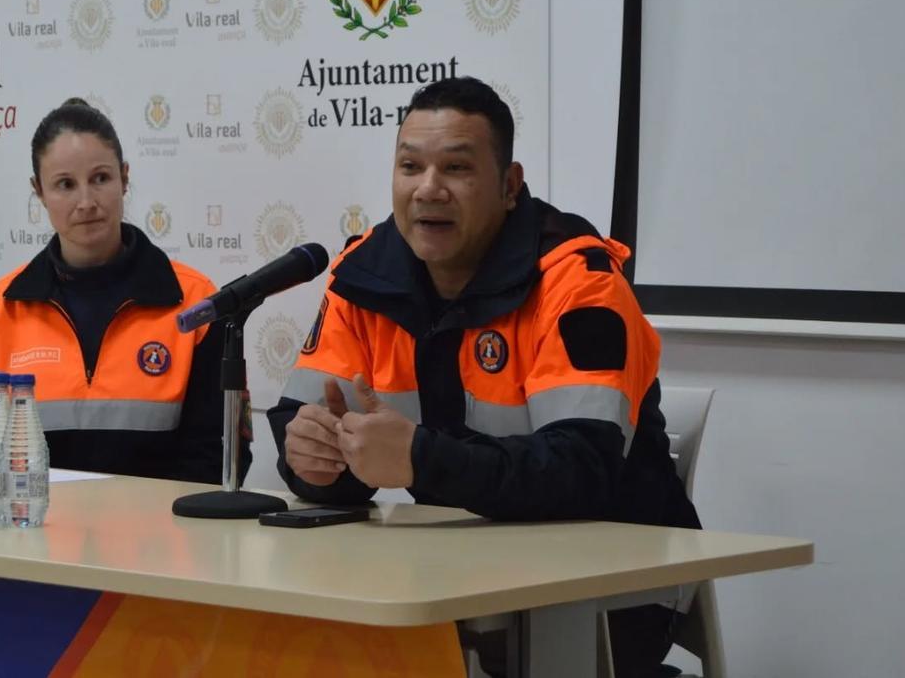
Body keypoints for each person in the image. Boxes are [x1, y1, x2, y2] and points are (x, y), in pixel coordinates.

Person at [267, 77, 698, 677]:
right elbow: (308, 427)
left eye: (457, 168)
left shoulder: (579, 282)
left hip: (610, 587)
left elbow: (584, 471)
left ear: (509, 185)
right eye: (410, 166)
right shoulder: (363, 276)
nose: (428, 189)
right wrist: (316, 460)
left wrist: (419, 459)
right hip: (450, 571)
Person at [0, 98, 249, 484]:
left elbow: (222, 457)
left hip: (162, 537)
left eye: (100, 178)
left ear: (124, 178)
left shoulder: (199, 303)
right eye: (65, 185)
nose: (86, 202)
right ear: (39, 192)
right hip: (31, 536)